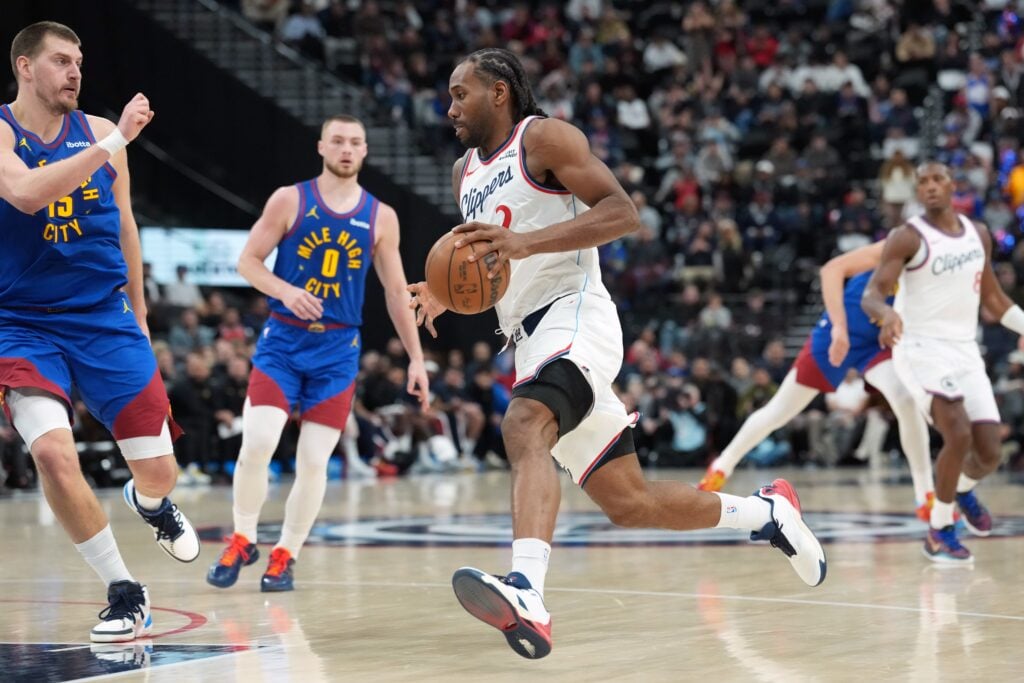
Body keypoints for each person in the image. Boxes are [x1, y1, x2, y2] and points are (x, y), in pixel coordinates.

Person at [407, 48, 826, 660]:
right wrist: (449, 293)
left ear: (499, 92)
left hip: (576, 314)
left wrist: (525, 244)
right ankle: (766, 515)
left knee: (524, 423)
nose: (449, 107)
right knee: (630, 503)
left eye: (459, 92)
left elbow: (623, 212)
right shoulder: (462, 172)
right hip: (527, 337)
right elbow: (486, 264)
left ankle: (526, 590)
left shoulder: (543, 139)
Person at [0, 22, 199, 642]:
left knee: (160, 470)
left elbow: (127, 226)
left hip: (104, 316)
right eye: (61, 61)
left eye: (80, 61)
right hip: (21, 323)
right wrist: (115, 139)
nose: (75, 72)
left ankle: (151, 503)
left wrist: (139, 314)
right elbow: (27, 193)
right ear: (25, 67)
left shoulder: (99, 137)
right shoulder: (3, 131)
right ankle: (123, 590)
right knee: (54, 456)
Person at [206, 115, 429, 591]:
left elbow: (395, 292)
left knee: (313, 462)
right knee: (258, 444)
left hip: (336, 352)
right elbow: (247, 260)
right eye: (338, 141)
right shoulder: (290, 198)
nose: (346, 149)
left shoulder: (380, 216)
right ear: (321, 147)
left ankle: (286, 552)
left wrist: (415, 357)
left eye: (355, 142)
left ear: (365, 151)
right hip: (283, 342)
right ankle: (243, 536)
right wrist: (285, 291)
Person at [698, 241, 938, 520]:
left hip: (877, 342)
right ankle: (722, 466)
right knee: (779, 411)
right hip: (840, 331)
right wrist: (838, 327)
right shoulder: (903, 244)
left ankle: (926, 495)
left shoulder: (942, 273)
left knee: (905, 399)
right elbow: (831, 270)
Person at [862, 161, 1019, 564]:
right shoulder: (907, 237)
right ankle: (939, 529)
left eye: (937, 180)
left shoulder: (977, 234)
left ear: (953, 186)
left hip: (965, 350)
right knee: (958, 432)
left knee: (988, 452)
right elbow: (872, 294)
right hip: (919, 349)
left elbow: (996, 302)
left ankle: (962, 489)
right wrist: (887, 313)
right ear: (917, 191)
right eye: (923, 183)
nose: (930, 187)